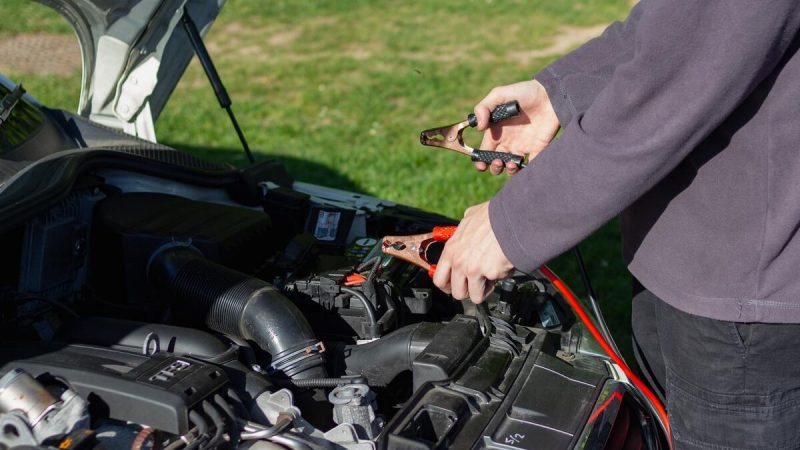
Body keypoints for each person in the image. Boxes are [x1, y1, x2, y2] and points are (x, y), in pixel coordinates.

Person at [431, 1, 800, 448]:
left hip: (745, 306)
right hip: (680, 262)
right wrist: (557, 92)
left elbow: (667, 90)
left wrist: (511, 223)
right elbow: (674, 25)